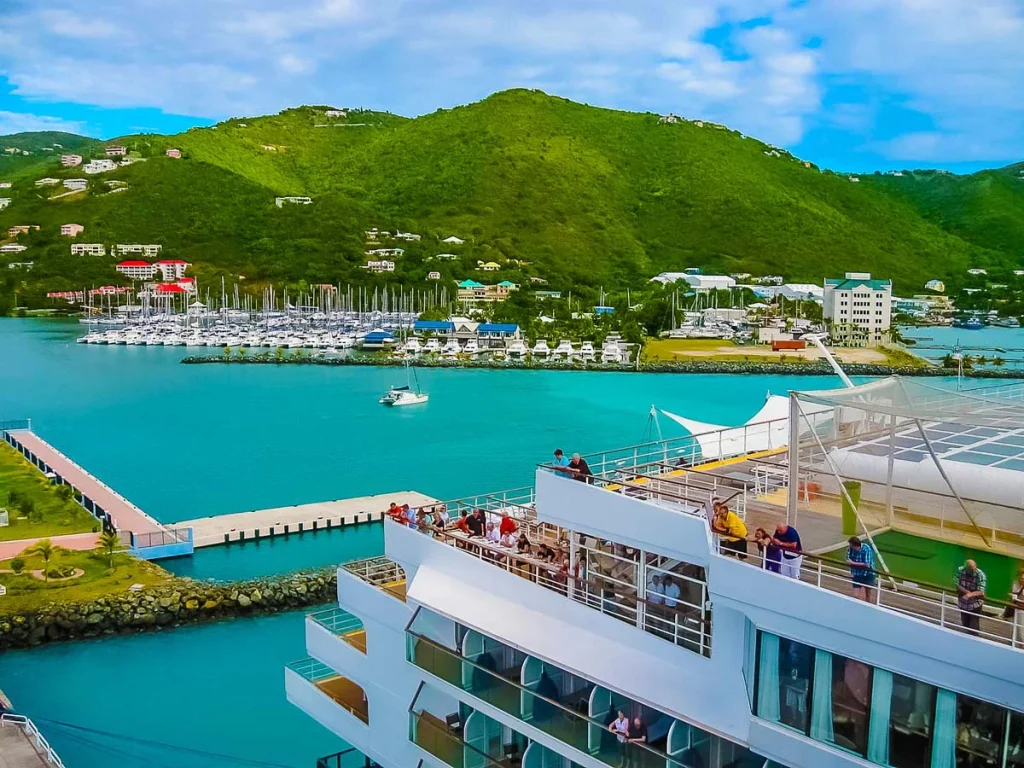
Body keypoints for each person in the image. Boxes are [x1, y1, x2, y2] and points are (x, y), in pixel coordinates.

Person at [956, 559, 987, 636]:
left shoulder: (980, 575)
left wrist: (969, 595)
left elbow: (981, 591)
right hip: (963, 603)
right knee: (965, 623)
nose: (974, 570)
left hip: (975, 604)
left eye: (974, 567)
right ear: (966, 568)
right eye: (971, 568)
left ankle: (975, 638)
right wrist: (967, 592)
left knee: (974, 626)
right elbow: (956, 583)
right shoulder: (960, 570)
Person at [845, 537, 877, 603]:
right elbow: (848, 559)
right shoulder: (849, 549)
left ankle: (867, 605)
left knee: (868, 594)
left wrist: (853, 563)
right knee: (855, 596)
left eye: (851, 545)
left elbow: (867, 564)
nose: (850, 547)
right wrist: (849, 562)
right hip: (856, 574)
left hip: (867, 574)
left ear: (855, 546)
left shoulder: (866, 549)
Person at [1012, 564, 1024, 646]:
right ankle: (1013, 643)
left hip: (1022, 610)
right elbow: (1014, 596)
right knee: (1014, 629)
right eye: (1020, 577)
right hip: (1017, 609)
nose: (1022, 579)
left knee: (1022, 631)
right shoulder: (1015, 583)